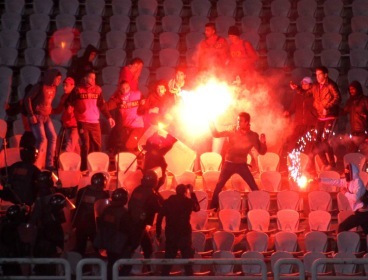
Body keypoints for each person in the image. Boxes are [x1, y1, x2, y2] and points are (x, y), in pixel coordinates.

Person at [209, 112, 267, 210]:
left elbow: (262, 152)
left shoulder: (253, 136)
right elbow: (216, 134)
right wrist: (211, 123)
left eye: (240, 121)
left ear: (247, 122)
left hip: (241, 165)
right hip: (229, 163)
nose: (238, 122)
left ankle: (259, 207)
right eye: (238, 120)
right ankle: (213, 207)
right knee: (219, 185)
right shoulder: (232, 130)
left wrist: (263, 143)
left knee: (253, 186)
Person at [290, 66, 341, 170]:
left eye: (319, 74)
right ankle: (325, 163)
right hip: (320, 116)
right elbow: (305, 93)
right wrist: (297, 88)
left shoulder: (331, 85)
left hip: (330, 116)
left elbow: (338, 98)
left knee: (324, 139)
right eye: (316, 74)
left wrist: (327, 107)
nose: (317, 76)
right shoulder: (316, 86)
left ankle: (332, 163)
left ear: (325, 75)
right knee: (316, 140)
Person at [68, 71, 115, 171]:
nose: (93, 80)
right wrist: (70, 111)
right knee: (86, 146)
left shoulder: (97, 90)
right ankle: (84, 168)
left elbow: (102, 105)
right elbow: (69, 103)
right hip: (82, 121)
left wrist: (109, 117)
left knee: (98, 146)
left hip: (95, 122)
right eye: (91, 78)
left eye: (94, 78)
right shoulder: (77, 90)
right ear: (85, 78)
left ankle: (96, 168)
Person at [156, 184, 200, 276]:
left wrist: (158, 232)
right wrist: (192, 192)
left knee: (168, 261)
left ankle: (164, 277)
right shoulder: (188, 202)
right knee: (187, 261)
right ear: (185, 192)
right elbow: (197, 208)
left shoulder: (168, 202)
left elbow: (159, 217)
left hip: (171, 234)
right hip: (184, 234)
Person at [24, 69, 62, 170]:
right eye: (58, 79)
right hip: (37, 116)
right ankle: (35, 163)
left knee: (53, 137)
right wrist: (31, 114)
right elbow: (27, 98)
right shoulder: (39, 87)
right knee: (42, 139)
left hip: (46, 116)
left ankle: (49, 164)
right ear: (52, 77)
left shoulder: (54, 88)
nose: (59, 81)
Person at [320, 163, 368, 233]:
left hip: (364, 213)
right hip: (359, 212)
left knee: (342, 227)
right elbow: (336, 182)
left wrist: (345, 193)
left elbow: (355, 198)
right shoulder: (348, 181)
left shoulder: (358, 183)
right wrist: (321, 180)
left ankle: (342, 243)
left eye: (348, 172)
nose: (346, 174)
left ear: (352, 173)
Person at [94, 187, 131, 279]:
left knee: (111, 264)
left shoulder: (107, 209)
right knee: (126, 264)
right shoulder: (124, 212)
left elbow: (102, 224)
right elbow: (127, 230)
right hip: (119, 243)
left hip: (108, 242)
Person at [128, 170, 163, 259]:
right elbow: (159, 208)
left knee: (147, 248)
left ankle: (149, 269)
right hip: (139, 224)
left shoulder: (138, 189)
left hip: (133, 222)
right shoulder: (151, 193)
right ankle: (122, 269)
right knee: (131, 248)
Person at [72, 172, 110, 256]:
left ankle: (80, 266)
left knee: (80, 247)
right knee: (98, 247)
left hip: (81, 223)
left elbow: (77, 206)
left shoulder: (82, 191)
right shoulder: (103, 194)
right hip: (94, 224)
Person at [106, 80, 145, 154]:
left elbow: (145, 101)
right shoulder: (117, 98)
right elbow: (108, 106)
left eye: (127, 88)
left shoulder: (137, 94)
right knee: (119, 146)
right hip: (125, 127)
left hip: (137, 126)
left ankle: (134, 161)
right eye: (123, 89)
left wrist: (143, 102)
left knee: (129, 146)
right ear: (120, 89)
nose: (125, 90)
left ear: (129, 87)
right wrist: (116, 100)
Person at [284, 77, 317, 153]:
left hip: (310, 124)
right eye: (302, 83)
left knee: (308, 143)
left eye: (306, 83)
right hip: (298, 124)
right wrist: (288, 112)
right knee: (292, 141)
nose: (303, 85)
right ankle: (291, 157)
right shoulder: (297, 96)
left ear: (310, 85)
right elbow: (292, 108)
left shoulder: (313, 96)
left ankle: (306, 160)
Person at [342, 81, 368, 155]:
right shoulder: (350, 101)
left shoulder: (365, 100)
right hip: (354, 131)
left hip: (363, 131)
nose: (351, 91)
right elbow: (344, 111)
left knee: (364, 152)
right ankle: (352, 166)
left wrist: (365, 116)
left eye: (353, 89)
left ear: (358, 89)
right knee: (351, 152)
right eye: (350, 89)